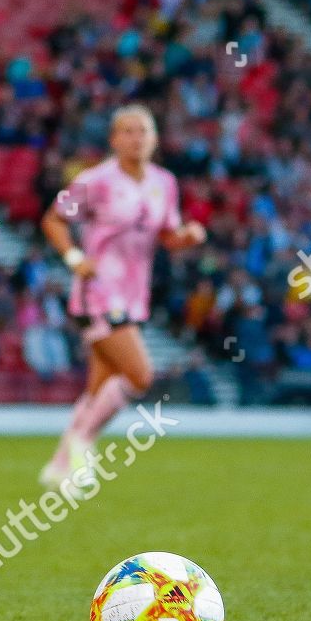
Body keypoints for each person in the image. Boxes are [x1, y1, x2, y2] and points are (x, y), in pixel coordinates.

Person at [38, 104, 206, 496]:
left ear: (155, 138)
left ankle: (58, 467)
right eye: (127, 131)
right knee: (140, 375)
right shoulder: (95, 180)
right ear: (114, 140)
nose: (136, 138)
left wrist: (188, 237)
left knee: (100, 386)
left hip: (134, 295)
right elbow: (53, 219)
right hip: (98, 292)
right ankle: (83, 444)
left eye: (143, 131)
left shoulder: (164, 182)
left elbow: (167, 235)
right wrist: (74, 258)